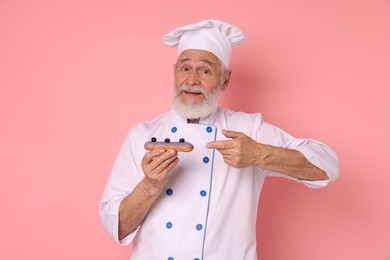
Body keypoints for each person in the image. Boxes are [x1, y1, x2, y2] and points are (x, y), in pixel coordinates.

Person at [99, 19, 339, 260]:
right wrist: (149, 186)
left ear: (225, 79)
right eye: (185, 68)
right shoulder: (141, 134)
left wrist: (260, 154)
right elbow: (116, 226)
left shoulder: (247, 129)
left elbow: (327, 167)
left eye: (204, 70)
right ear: (174, 73)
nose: (192, 80)